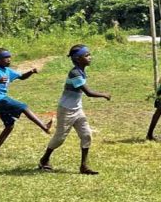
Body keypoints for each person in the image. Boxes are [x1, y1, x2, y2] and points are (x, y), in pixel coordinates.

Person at [39, 44, 110, 175]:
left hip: (77, 109)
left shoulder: (81, 71)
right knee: (59, 138)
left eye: (89, 54)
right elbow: (88, 92)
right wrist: (104, 94)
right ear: (78, 59)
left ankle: (84, 166)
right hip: (66, 110)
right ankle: (44, 160)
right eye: (86, 55)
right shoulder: (75, 73)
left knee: (86, 134)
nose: (90, 57)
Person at [0, 48, 53, 155]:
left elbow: (22, 77)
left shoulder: (7, 70)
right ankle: (44, 126)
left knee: (9, 125)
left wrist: (31, 72)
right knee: (23, 107)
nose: (9, 60)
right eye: (5, 58)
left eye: (9, 57)